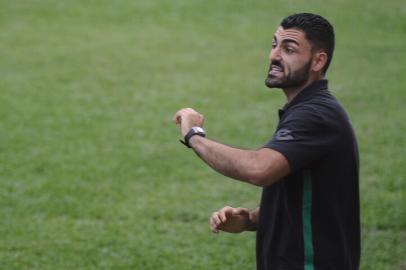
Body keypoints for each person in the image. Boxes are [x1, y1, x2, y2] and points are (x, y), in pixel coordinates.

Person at [173, 13, 360, 270]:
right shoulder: (306, 109)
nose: (274, 56)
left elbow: (259, 169)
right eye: (274, 45)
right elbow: (311, 197)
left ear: (318, 61)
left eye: (289, 49)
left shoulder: (315, 116)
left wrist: (194, 135)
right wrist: (250, 219)